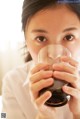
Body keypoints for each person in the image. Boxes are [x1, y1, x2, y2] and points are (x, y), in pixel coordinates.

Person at [2, 0, 80, 119]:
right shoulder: (13, 82)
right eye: (41, 38)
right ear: (26, 41)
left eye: (68, 37)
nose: (54, 55)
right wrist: (44, 116)